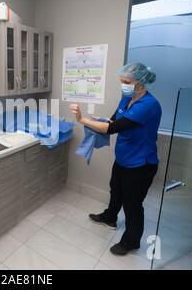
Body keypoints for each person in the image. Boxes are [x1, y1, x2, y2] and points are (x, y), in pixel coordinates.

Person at [69, 62, 162, 256]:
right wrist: (99, 120)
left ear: (141, 83)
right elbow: (113, 121)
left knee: (132, 204)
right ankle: (110, 217)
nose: (123, 85)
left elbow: (113, 129)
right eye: (122, 81)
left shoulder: (149, 105)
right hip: (124, 157)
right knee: (116, 189)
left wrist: (82, 120)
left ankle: (131, 241)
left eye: (127, 82)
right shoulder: (126, 98)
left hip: (141, 164)